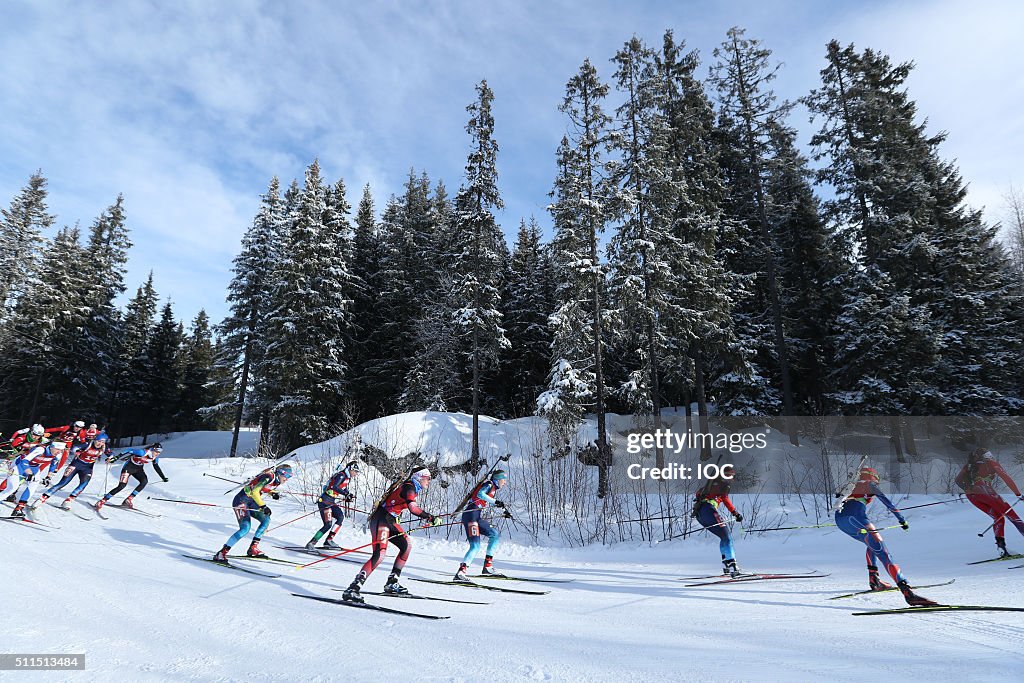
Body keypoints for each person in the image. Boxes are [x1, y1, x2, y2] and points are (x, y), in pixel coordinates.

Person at [835, 467, 935, 606]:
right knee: (884, 553)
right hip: (856, 518)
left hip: (840, 521)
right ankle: (908, 593)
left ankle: (874, 580)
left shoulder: (851, 484)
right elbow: (889, 504)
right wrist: (902, 521)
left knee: (870, 543)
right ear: (873, 477)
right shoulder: (870, 484)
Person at [343, 468, 441, 602]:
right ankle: (353, 588)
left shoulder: (411, 487)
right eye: (427, 478)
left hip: (389, 520)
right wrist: (430, 517)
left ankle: (392, 582)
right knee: (379, 554)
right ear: (419, 477)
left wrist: (397, 514)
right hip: (381, 519)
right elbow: (413, 508)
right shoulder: (409, 488)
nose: (429, 481)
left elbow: (393, 502)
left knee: (406, 545)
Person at [213, 463, 293, 561]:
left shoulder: (276, 481)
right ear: (281, 473)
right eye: (287, 476)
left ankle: (253, 548)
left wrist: (272, 493)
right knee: (245, 528)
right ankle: (221, 553)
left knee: (266, 519)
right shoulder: (268, 477)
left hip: (251, 502)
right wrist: (263, 506)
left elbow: (263, 488)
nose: (287, 479)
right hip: (241, 501)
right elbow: (255, 491)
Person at [956, 448, 1024, 557]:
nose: (990, 456)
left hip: (972, 496)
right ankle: (1002, 547)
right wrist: (1018, 494)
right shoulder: (991, 463)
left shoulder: (968, 466)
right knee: (1012, 515)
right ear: (983, 457)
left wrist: (969, 488)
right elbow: (1006, 477)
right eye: (988, 454)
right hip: (987, 492)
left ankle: (1001, 548)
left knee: (998, 518)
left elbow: (958, 480)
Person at [454, 469, 509, 581]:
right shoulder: (489, 484)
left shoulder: (493, 488)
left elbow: (490, 501)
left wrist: (505, 511)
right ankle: (460, 573)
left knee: (494, 534)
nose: (505, 482)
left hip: (476, 516)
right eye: (503, 480)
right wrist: (495, 502)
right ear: (497, 479)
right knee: (475, 546)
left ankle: (487, 567)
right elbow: (480, 494)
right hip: (470, 515)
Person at [692, 465, 744, 576]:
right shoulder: (723, 484)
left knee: (723, 537)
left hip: (700, 514)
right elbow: (725, 499)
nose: (731, 479)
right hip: (708, 510)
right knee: (727, 536)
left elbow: (698, 493)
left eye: (732, 476)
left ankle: (726, 563)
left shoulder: (712, 484)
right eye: (730, 476)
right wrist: (735, 513)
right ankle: (732, 565)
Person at [36, 432, 110, 509]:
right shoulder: (87, 444)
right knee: (63, 483)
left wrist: (109, 458)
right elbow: (74, 448)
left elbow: (110, 454)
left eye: (102, 442)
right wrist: (77, 452)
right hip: (76, 465)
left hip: (87, 468)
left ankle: (68, 500)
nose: (100, 443)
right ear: (94, 439)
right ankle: (42, 499)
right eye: (98, 441)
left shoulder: (104, 447)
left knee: (83, 484)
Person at [94, 443, 167, 511]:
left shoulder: (154, 458)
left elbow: (156, 467)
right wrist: (116, 458)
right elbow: (128, 450)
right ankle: (102, 501)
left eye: (160, 452)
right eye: (157, 451)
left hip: (138, 469)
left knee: (144, 481)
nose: (158, 453)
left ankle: (128, 499)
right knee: (121, 486)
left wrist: (163, 477)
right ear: (152, 449)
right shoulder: (143, 452)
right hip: (128, 468)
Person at [305, 461, 360, 551]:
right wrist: (345, 494)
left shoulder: (346, 478)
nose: (356, 474)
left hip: (331, 501)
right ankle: (311, 543)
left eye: (357, 472)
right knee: (328, 524)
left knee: (340, 517)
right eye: (355, 471)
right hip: (325, 501)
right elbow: (334, 486)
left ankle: (329, 540)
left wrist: (348, 494)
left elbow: (342, 487)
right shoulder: (341, 475)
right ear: (350, 469)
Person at [9, 441, 65, 517]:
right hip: (21, 464)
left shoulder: (58, 454)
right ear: (52, 447)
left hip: (34, 467)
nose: (59, 452)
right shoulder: (41, 450)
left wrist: (48, 477)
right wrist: (28, 472)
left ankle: (19, 509)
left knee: (33, 486)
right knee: (11, 485)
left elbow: (53, 465)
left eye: (61, 450)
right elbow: (25, 459)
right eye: (57, 449)